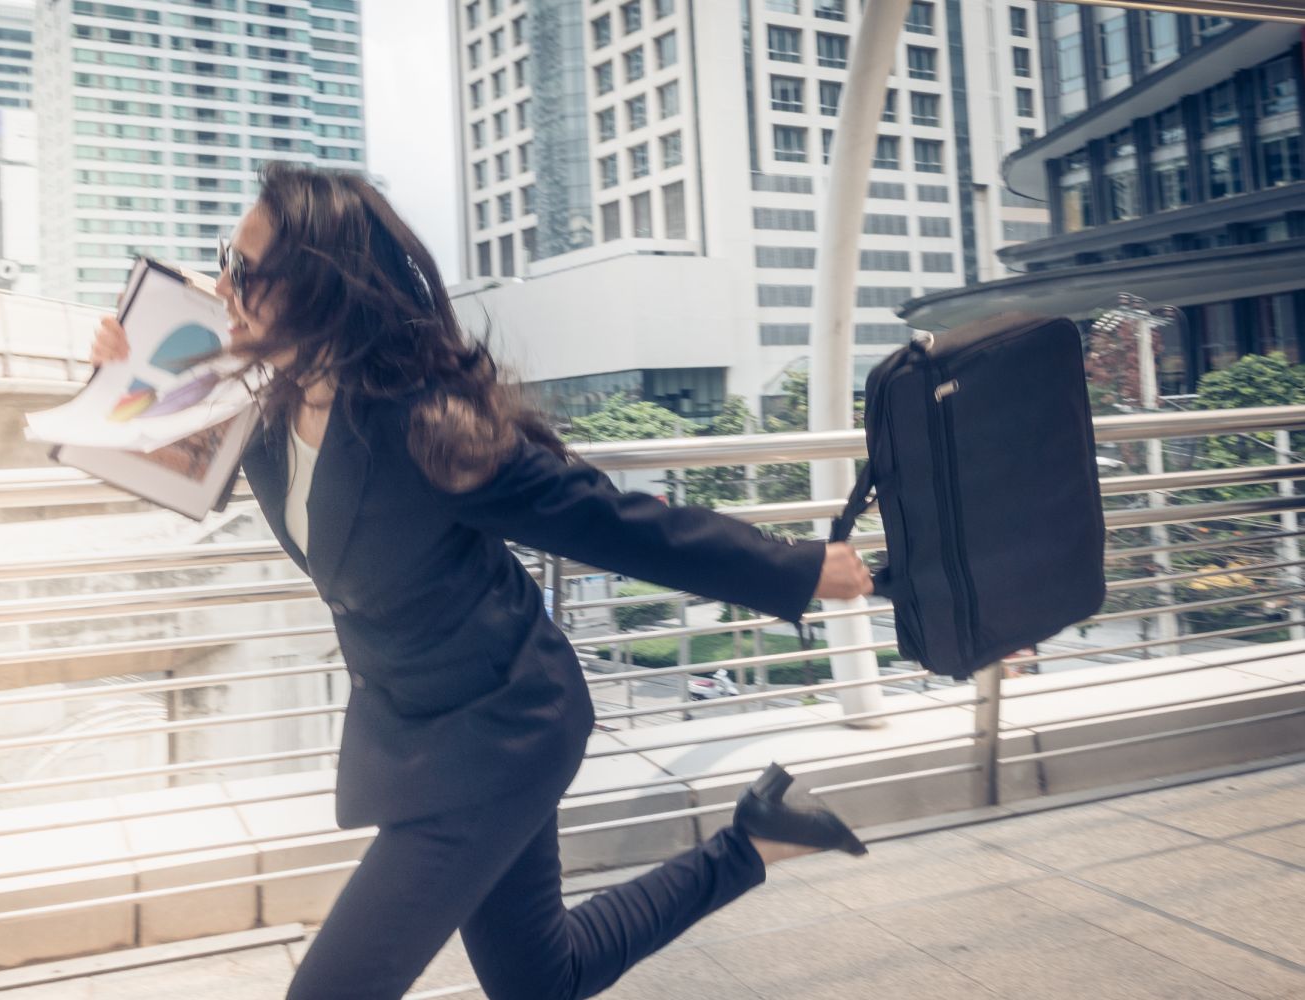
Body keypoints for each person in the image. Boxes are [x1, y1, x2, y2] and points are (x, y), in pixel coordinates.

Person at [90, 163, 875, 1000]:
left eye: (245, 270)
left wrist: (795, 569)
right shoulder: (265, 406)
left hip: (502, 726)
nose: (222, 286)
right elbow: (172, 470)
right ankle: (755, 840)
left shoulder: (421, 420)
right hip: (416, 724)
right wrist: (121, 379)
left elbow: (606, 521)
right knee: (543, 979)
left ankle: (752, 841)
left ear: (319, 284)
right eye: (225, 259)